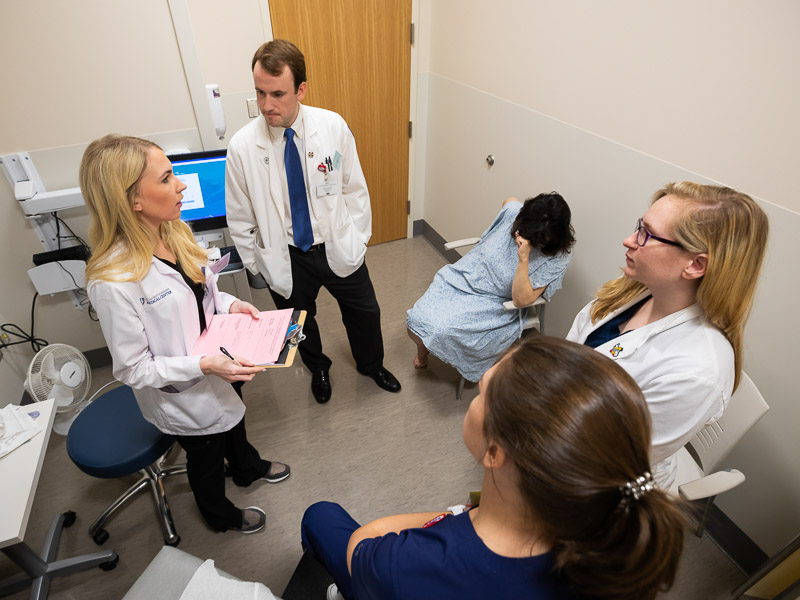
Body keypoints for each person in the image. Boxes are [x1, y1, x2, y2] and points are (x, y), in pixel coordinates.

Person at [301, 336, 686, 600]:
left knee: (320, 516)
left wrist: (454, 515)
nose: (474, 398)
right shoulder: (608, 544)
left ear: (494, 451)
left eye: (482, 392)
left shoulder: (408, 563)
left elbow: (363, 545)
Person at [82, 134, 291, 535]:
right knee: (207, 456)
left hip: (222, 360)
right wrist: (205, 365)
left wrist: (232, 305)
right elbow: (132, 369)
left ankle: (247, 468)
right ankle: (220, 516)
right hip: (185, 389)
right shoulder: (113, 279)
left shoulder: (174, 232)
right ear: (132, 201)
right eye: (166, 179)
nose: (180, 185)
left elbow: (202, 290)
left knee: (236, 421)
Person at [226, 39, 400, 405]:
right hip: (286, 255)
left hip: (335, 243)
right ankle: (318, 368)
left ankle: (371, 365)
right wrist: (260, 264)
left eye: (277, 94)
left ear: (301, 89)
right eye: (259, 93)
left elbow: (355, 188)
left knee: (365, 312)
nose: (266, 105)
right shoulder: (243, 147)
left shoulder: (331, 126)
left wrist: (357, 237)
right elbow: (239, 216)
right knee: (299, 325)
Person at [567, 181, 769, 489]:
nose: (629, 240)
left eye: (646, 234)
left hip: (601, 482)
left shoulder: (698, 370)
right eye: (639, 226)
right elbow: (570, 357)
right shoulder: (630, 292)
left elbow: (611, 457)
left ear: (695, 264)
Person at [407, 193, 574, 382]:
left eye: (539, 240)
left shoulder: (557, 257)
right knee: (416, 318)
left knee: (442, 329)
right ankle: (423, 352)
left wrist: (524, 258)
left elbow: (521, 300)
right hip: (463, 277)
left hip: (495, 302)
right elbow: (509, 201)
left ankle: (454, 358)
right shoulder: (514, 214)